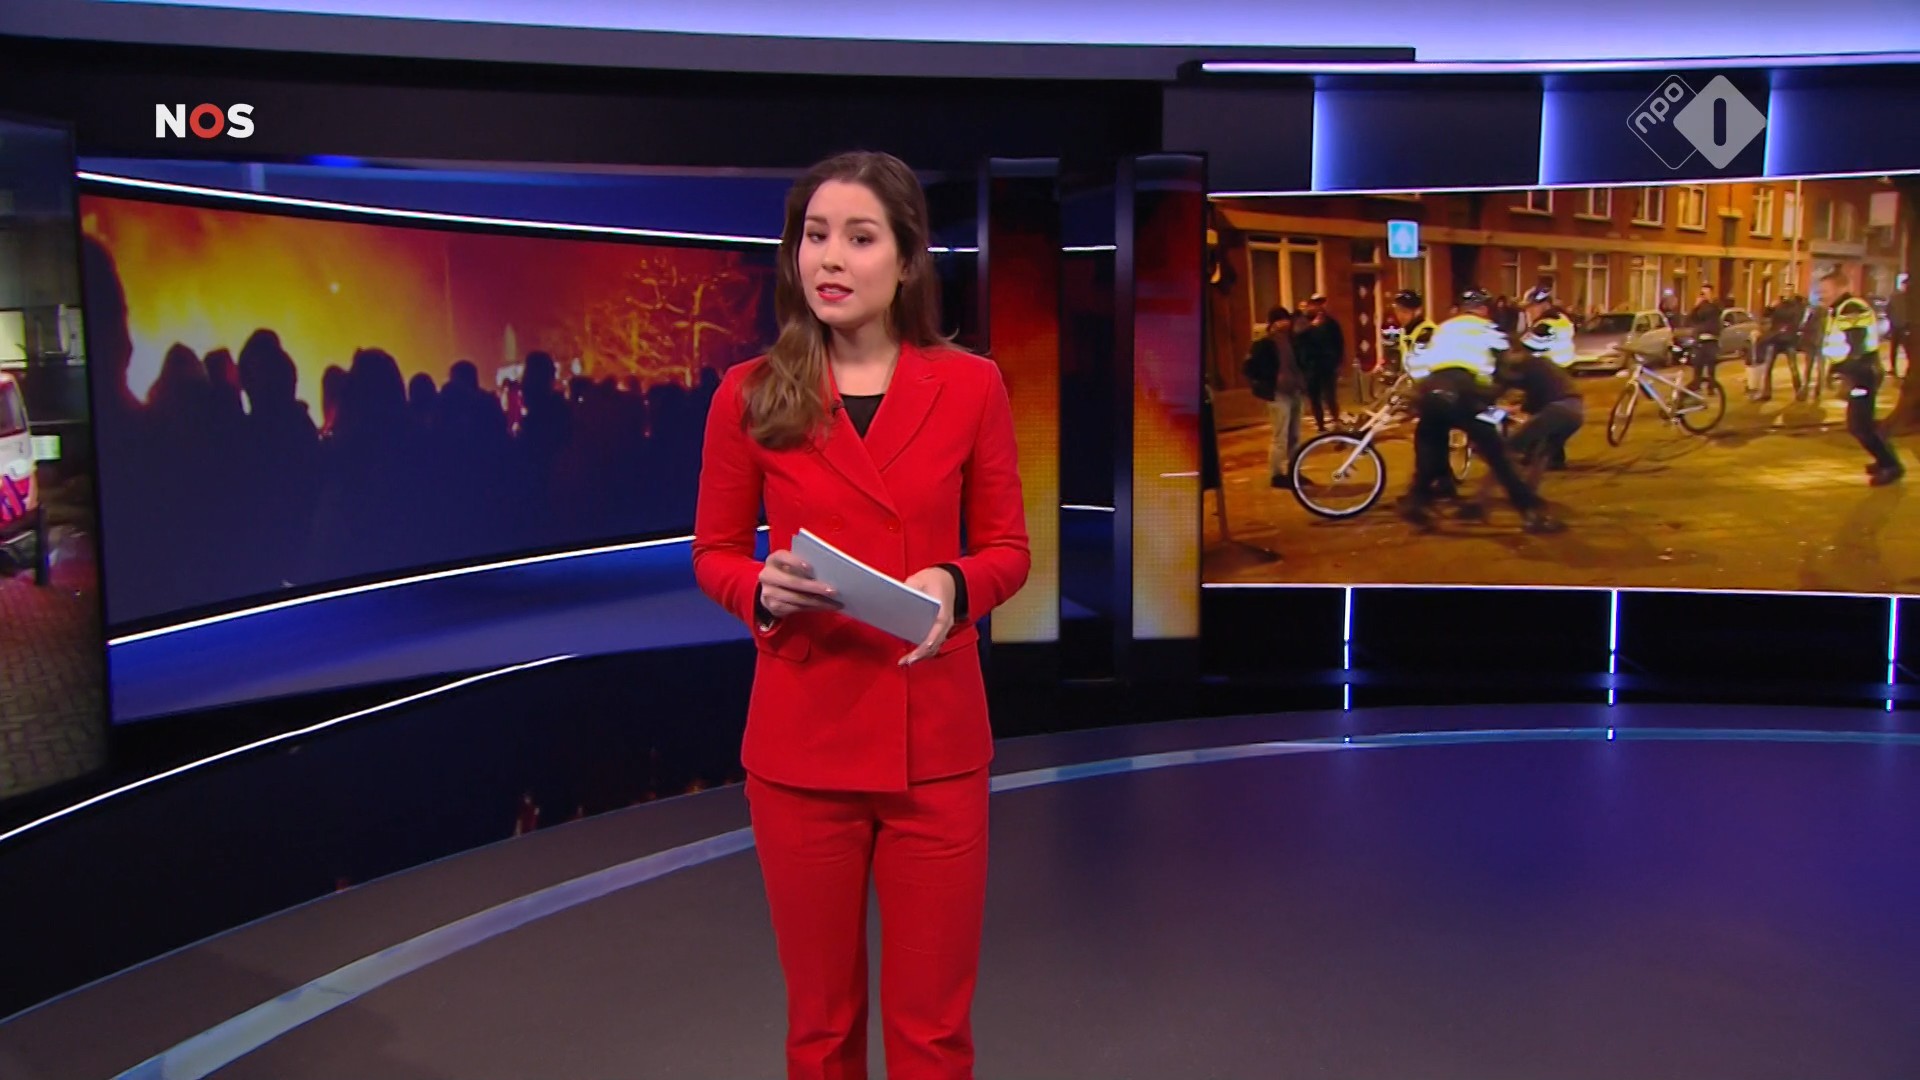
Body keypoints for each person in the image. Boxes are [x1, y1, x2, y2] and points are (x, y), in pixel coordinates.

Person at [691, 150, 1032, 1079]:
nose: (830, 258)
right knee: (821, 1030)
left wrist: (953, 584)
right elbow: (714, 551)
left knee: (933, 1034)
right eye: (814, 236)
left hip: (937, 748)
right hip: (804, 747)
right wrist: (759, 589)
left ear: (908, 259)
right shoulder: (750, 393)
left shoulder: (972, 386)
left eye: (859, 237)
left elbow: (1008, 549)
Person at [1396, 287, 1562, 534]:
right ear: (1483, 309)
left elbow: (1419, 363)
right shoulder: (1488, 329)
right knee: (1497, 454)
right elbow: (1509, 366)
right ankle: (1530, 510)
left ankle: (1416, 500)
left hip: (1431, 390)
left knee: (1430, 445)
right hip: (1464, 392)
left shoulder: (1443, 328)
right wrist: (1500, 395)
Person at [1817, 268, 1904, 486]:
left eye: (1825, 290)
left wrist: (1849, 376)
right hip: (1859, 372)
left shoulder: (1851, 308)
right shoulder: (1840, 309)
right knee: (1863, 423)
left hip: (1862, 374)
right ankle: (1884, 459)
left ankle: (1891, 465)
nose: (1821, 295)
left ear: (1841, 288)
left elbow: (1856, 345)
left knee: (1859, 426)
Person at [1243, 305, 1305, 487]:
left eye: (1286, 319)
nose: (1285, 323)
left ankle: (1295, 471)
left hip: (1295, 391)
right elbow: (1249, 368)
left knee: (1295, 435)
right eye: (1281, 320)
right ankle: (1276, 475)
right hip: (1278, 394)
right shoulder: (1264, 343)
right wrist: (1264, 383)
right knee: (1280, 436)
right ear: (1273, 323)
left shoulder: (1293, 340)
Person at [1297, 292, 1345, 431]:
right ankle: (1320, 425)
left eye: (1321, 303)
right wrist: (1312, 326)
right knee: (1315, 397)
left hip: (1328, 366)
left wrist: (1338, 362)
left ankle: (1336, 421)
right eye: (1316, 303)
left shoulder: (1331, 323)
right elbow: (1298, 339)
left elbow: (1339, 343)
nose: (1319, 307)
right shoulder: (1304, 322)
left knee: (1330, 396)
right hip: (1311, 366)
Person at [1685, 283, 1722, 390]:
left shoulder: (1716, 304)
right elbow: (1691, 319)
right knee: (1698, 365)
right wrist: (1695, 306)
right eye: (1703, 292)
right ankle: (1697, 386)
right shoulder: (1700, 306)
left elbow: (1718, 311)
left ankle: (1711, 387)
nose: (1704, 295)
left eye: (1706, 292)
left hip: (1711, 340)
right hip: (1700, 340)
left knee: (1711, 365)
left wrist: (1710, 299)